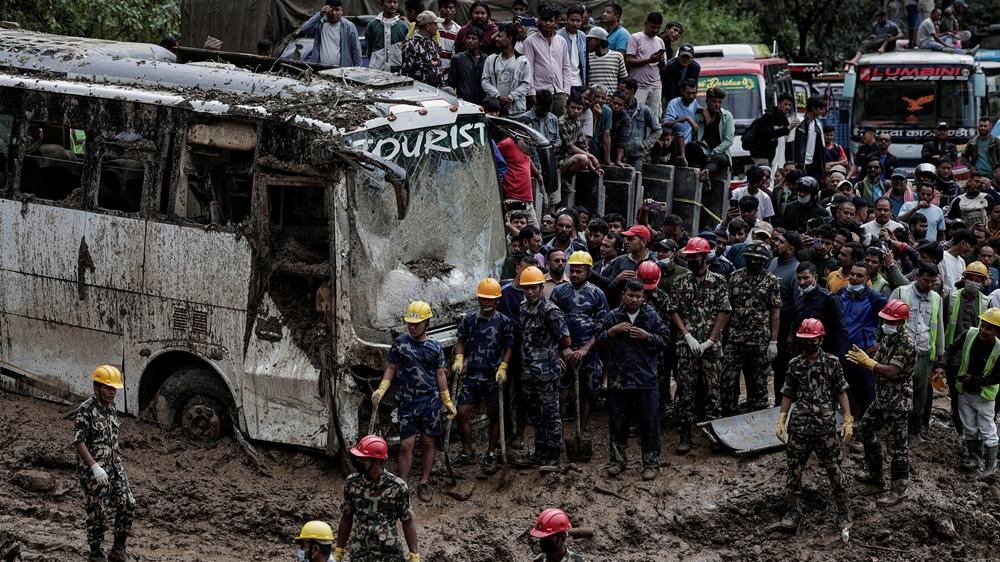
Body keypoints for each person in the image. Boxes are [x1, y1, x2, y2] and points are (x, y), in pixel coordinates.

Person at [371, 301, 456, 501]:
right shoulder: (401, 343)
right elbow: (391, 367)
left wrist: (446, 400)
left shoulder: (434, 347)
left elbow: (440, 374)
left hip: (430, 401)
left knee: (428, 441)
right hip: (408, 400)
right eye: (409, 323)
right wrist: (382, 388)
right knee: (406, 445)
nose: (413, 326)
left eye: (417, 324)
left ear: (427, 323)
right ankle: (402, 484)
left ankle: (424, 482)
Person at [774, 319, 852, 532]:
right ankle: (792, 513)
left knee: (835, 470)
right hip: (799, 427)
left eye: (813, 339)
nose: (809, 343)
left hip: (825, 427)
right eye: (805, 340)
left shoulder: (832, 363)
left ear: (821, 338)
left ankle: (843, 513)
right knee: (794, 471)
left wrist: (847, 418)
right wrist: (782, 418)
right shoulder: (795, 364)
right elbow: (788, 392)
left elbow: (841, 390)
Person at [846, 300, 917, 507]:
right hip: (882, 397)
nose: (887, 324)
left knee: (898, 445)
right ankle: (875, 472)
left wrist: (868, 363)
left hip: (898, 400)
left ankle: (899, 490)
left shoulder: (906, 344)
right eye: (885, 320)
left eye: (891, 321)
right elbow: (878, 358)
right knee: (866, 429)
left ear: (901, 323)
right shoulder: (888, 338)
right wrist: (864, 357)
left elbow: (892, 371)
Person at [597, 278, 669, 479]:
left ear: (644, 297)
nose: (635, 300)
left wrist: (648, 337)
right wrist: (612, 331)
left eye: (638, 296)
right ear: (623, 295)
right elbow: (599, 338)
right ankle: (618, 460)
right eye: (631, 295)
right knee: (618, 421)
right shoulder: (613, 316)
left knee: (649, 422)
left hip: (645, 378)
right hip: (619, 378)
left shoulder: (651, 317)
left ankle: (651, 462)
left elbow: (665, 341)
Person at [667, 237, 732, 453]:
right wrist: (686, 335)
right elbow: (673, 310)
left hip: (711, 348)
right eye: (690, 257)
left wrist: (710, 341)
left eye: (696, 256)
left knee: (713, 392)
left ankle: (716, 437)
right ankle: (685, 436)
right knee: (686, 391)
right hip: (686, 347)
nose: (693, 260)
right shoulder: (680, 282)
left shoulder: (719, 281)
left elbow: (724, 311)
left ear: (706, 257)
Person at [74, 365, 135, 562]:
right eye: (108, 388)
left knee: (128, 503)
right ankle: (95, 552)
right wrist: (94, 466)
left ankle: (118, 549)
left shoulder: (111, 408)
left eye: (114, 389)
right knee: (97, 511)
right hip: (95, 470)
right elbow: (79, 441)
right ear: (97, 387)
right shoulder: (86, 409)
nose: (112, 392)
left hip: (114, 466)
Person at [453, 278, 514, 471]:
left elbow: (509, 346)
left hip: (493, 376)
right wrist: (459, 359)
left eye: (491, 299)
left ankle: (490, 452)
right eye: (483, 299)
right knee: (461, 412)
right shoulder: (469, 319)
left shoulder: (504, 322)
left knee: (494, 415)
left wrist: (503, 366)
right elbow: (461, 340)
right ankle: (467, 451)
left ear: (497, 301)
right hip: (472, 375)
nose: (486, 302)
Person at [515, 266, 572, 468]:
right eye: (526, 288)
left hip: (547, 373)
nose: (530, 292)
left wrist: (554, 355)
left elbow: (565, 339)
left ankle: (553, 455)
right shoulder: (523, 308)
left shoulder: (550, 311)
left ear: (541, 287)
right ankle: (540, 452)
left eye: (534, 288)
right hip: (528, 372)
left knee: (550, 414)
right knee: (535, 414)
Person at [335, 435, 419, 562]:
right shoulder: (352, 483)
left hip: (390, 554)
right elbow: (346, 518)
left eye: (363, 459)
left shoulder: (397, 487)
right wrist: (339, 551)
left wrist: (414, 555)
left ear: (376, 461)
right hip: (360, 553)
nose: (358, 461)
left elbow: (407, 520)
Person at [551, 252, 609, 436]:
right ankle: (558, 432)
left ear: (588, 271)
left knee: (588, 391)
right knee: (561, 391)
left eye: (579, 271)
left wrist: (585, 349)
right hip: (564, 351)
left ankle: (581, 430)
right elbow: (552, 322)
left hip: (588, 353)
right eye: (572, 271)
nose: (574, 274)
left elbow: (602, 326)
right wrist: (563, 349)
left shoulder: (597, 294)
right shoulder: (560, 292)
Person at [940, 307, 1000, 477]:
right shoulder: (970, 333)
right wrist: (942, 366)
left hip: (983, 395)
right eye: (983, 325)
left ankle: (990, 467)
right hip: (964, 391)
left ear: (998, 331)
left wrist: (974, 380)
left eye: (989, 328)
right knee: (969, 426)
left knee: (987, 428)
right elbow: (951, 349)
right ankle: (974, 458)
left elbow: (997, 377)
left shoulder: (999, 349)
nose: (983, 330)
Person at [725, 241, 781, 414]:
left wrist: (773, 341)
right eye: (751, 258)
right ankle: (729, 412)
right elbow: (727, 308)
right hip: (735, 337)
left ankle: (757, 414)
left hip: (760, 340)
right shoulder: (734, 277)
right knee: (728, 378)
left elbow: (775, 312)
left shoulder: (771, 280)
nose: (754, 261)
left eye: (759, 259)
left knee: (759, 381)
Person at [889, 264, 945, 437]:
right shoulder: (901, 292)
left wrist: (939, 357)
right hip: (901, 352)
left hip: (924, 353)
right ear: (917, 276)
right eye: (926, 280)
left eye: (932, 281)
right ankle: (895, 428)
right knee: (897, 390)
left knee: (920, 394)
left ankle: (914, 429)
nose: (929, 284)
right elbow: (887, 320)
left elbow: (939, 327)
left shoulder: (936, 298)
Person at [839, 262, 889, 418]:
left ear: (867, 278)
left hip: (863, 354)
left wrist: (881, 343)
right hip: (843, 353)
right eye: (852, 274)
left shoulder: (875, 298)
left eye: (859, 275)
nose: (854, 278)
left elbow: (894, 321)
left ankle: (867, 429)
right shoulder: (841, 294)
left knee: (867, 393)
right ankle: (850, 424)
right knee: (846, 391)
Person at [524, 5, 571, 117]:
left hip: (559, 92)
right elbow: (528, 68)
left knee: (558, 125)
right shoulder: (530, 41)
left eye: (551, 20)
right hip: (540, 91)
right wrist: (531, 92)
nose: (547, 23)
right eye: (544, 20)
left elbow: (566, 67)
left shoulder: (561, 41)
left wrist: (566, 90)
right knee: (540, 125)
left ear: (556, 23)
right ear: (539, 20)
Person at [795, 262, 850, 356]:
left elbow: (842, 330)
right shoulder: (800, 297)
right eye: (799, 278)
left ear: (815, 277)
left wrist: (839, 356)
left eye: (806, 278)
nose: (802, 282)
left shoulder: (830, 299)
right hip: (803, 351)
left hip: (825, 353)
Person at [688, 87, 735, 192]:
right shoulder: (699, 115)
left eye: (719, 102)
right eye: (714, 102)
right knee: (691, 147)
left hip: (719, 153)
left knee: (721, 158)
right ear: (707, 101)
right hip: (703, 151)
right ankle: (705, 175)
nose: (717, 105)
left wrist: (713, 153)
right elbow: (694, 135)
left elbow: (729, 140)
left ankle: (705, 173)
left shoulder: (727, 116)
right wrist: (703, 119)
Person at [625, 12, 667, 121]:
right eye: (653, 27)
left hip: (655, 85)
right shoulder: (635, 38)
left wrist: (661, 60)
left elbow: (663, 68)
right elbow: (629, 60)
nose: (655, 30)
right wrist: (649, 60)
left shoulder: (660, 41)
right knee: (635, 116)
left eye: (658, 28)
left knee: (653, 118)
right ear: (646, 24)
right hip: (638, 85)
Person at [482, 24, 531, 115]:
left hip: (516, 110)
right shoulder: (491, 59)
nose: (496, 39)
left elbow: (526, 84)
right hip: (495, 110)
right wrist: (498, 96)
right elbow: (485, 81)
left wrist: (511, 98)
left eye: (500, 36)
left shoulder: (523, 61)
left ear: (509, 39)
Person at [297, 0, 362, 68]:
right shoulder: (320, 23)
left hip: (342, 70)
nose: (334, 13)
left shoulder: (349, 26)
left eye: (337, 10)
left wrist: (357, 69)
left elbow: (356, 50)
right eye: (331, 10)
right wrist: (320, 14)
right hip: (320, 69)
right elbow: (305, 29)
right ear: (326, 10)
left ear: (342, 11)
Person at [615, 79, 662, 169]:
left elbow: (658, 130)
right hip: (617, 153)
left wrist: (645, 144)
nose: (619, 93)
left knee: (636, 179)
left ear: (631, 91)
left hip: (636, 155)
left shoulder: (644, 110)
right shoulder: (618, 107)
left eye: (622, 90)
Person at [558, 94, 604, 182]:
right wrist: (592, 157)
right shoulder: (562, 122)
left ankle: (565, 180)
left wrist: (592, 168)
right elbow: (570, 147)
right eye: (573, 107)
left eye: (579, 109)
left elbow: (583, 145)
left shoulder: (577, 121)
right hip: (558, 159)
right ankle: (563, 179)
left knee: (586, 158)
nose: (576, 111)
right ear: (566, 107)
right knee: (583, 158)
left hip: (568, 158)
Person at [788, 96, 827, 181]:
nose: (822, 112)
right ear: (813, 108)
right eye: (820, 109)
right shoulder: (798, 123)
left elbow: (821, 148)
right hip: (799, 165)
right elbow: (790, 145)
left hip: (813, 166)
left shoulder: (818, 125)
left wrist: (822, 170)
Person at [400, 11, 443, 86]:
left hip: (436, 92)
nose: (438, 27)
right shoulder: (411, 45)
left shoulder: (433, 43)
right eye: (435, 24)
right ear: (428, 26)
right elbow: (405, 74)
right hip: (420, 93)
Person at [364, 0, 408, 72]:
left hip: (396, 69)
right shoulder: (372, 25)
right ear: (381, 4)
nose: (392, 5)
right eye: (389, 2)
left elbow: (405, 50)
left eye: (395, 2)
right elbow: (369, 48)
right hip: (377, 69)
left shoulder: (403, 25)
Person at [558, 4, 588, 97]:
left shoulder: (582, 36)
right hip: (563, 83)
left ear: (582, 20)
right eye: (572, 20)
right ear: (567, 19)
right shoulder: (558, 35)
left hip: (579, 82)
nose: (575, 23)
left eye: (578, 21)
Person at [449, 27, 486, 103]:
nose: (470, 41)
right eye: (468, 38)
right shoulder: (458, 58)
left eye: (474, 39)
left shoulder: (486, 59)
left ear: (480, 42)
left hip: (482, 102)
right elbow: (451, 83)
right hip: (464, 101)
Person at [586, 27, 627, 94]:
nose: (588, 42)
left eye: (590, 39)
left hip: (611, 101)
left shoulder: (617, 56)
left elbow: (623, 79)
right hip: (592, 100)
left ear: (598, 41)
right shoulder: (588, 57)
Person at [660, 44, 700, 112]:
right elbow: (669, 89)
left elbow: (693, 86)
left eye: (688, 57)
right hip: (668, 95)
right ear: (678, 56)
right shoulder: (670, 66)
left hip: (686, 96)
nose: (685, 59)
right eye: (683, 56)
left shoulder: (695, 68)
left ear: (692, 58)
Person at [942, 229, 976, 294]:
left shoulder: (962, 261)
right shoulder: (942, 258)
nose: (971, 250)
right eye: (971, 246)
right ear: (963, 243)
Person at [437, 0, 461, 74]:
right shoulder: (434, 25)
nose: (447, 10)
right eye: (444, 7)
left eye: (451, 8)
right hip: (434, 69)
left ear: (455, 10)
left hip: (449, 71)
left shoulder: (458, 29)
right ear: (439, 9)